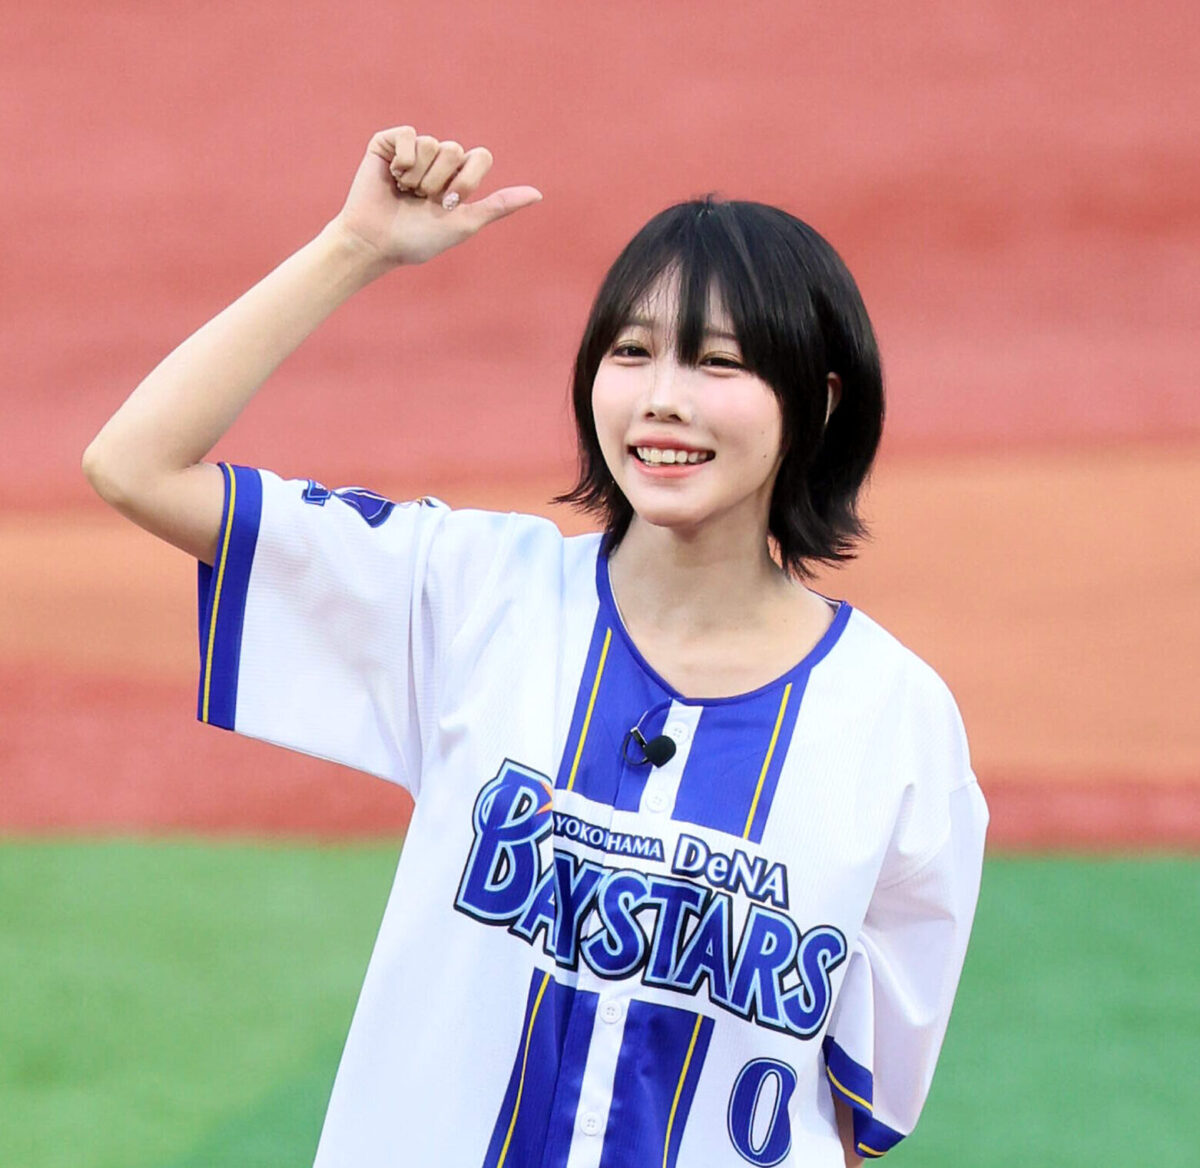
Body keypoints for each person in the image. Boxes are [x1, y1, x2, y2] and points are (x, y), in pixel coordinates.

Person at [83, 125, 988, 1167]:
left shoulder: (895, 721)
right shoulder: (470, 593)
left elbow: (853, 1111)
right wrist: (355, 247)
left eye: (719, 362)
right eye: (631, 352)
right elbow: (135, 465)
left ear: (819, 403)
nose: (663, 397)